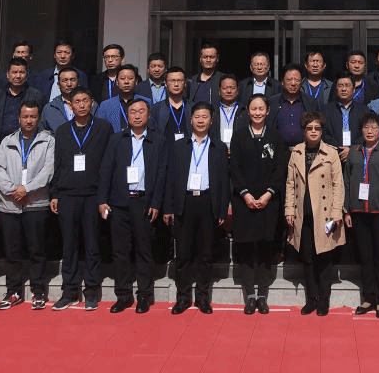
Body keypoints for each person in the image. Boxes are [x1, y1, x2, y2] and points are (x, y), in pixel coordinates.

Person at [98, 99, 168, 314]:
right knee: (120, 251)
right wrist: (102, 200)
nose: (137, 115)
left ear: (148, 115)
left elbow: (162, 174)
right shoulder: (117, 139)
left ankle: (144, 295)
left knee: (144, 250)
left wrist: (156, 202)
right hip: (119, 203)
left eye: (141, 111)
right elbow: (106, 170)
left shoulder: (158, 140)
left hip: (144, 203)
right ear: (127, 116)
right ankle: (123, 295)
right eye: (133, 112)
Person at [49, 87, 113, 311]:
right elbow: (58, 163)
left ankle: (92, 291)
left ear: (92, 102)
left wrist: (104, 196)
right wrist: (55, 193)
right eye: (77, 101)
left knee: (92, 244)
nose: (82, 105)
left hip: (93, 195)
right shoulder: (62, 131)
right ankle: (69, 291)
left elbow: (108, 164)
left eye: (85, 100)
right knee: (69, 245)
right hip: (67, 194)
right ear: (70, 105)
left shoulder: (104, 128)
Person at [163, 102, 229, 314]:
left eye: (205, 117)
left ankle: (202, 298)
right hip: (185, 202)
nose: (201, 120)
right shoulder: (179, 146)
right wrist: (168, 207)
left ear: (211, 121)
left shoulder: (219, 147)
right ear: (191, 120)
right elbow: (170, 178)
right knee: (183, 254)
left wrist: (221, 209)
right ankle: (182, 298)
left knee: (205, 254)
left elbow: (224, 180)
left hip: (208, 202)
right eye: (197, 117)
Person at [230, 93, 289, 314]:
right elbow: (234, 168)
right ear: (248, 111)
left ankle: (262, 295)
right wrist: (245, 194)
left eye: (261, 109)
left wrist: (267, 195)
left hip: (268, 202)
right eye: (253, 109)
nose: (257, 113)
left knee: (265, 249)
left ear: (267, 111)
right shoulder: (239, 135)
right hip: (244, 201)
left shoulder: (275, 136)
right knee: (246, 249)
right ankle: (249, 296)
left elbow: (279, 169)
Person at [0, 100, 54, 311]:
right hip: (9, 205)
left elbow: (48, 170)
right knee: (12, 251)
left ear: (39, 118)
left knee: (37, 251)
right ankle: (13, 291)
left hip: (36, 203)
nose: (29, 120)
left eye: (33, 116)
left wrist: (26, 189)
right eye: (25, 116)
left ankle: (38, 291)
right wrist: (13, 189)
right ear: (19, 118)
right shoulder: (7, 141)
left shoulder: (48, 141)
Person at [285, 112, 346, 316]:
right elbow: (290, 184)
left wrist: (337, 212)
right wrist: (289, 209)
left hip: (326, 215)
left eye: (317, 128)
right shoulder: (296, 152)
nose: (313, 131)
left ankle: (323, 299)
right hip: (303, 214)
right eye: (309, 128)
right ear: (304, 131)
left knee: (325, 258)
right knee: (308, 258)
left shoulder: (331, 153)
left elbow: (338, 185)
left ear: (322, 131)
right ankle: (311, 299)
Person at [343, 112, 379, 318]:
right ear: (361, 130)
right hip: (359, 212)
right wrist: (347, 209)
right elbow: (347, 181)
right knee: (365, 257)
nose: (370, 131)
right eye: (366, 127)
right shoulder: (354, 152)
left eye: (374, 127)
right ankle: (368, 298)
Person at [0, 57, 43, 149]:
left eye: (22, 72)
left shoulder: (36, 96)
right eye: (14, 72)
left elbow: (40, 123)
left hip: (26, 145)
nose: (18, 76)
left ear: (27, 75)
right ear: (7, 75)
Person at [321, 71, 366, 162]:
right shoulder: (326, 110)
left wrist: (351, 149)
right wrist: (339, 149)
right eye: (340, 85)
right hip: (332, 156)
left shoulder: (363, 110)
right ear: (336, 89)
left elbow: (365, 134)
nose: (344, 89)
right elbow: (324, 133)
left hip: (357, 157)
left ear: (353, 89)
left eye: (347, 85)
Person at [268, 64, 315, 148]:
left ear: (301, 82)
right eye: (289, 80)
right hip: (278, 150)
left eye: (297, 80)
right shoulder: (272, 102)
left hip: (304, 150)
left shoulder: (310, 102)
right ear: (282, 82)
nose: (293, 83)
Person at [95, 64, 142, 132]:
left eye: (130, 78)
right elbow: (100, 130)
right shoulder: (105, 105)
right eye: (122, 78)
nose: (126, 82)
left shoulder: (145, 102)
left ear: (136, 81)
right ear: (117, 82)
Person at [151, 67, 191, 145]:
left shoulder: (192, 108)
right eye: (172, 81)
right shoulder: (156, 109)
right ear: (166, 84)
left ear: (185, 83)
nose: (176, 84)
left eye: (179, 81)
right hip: (164, 150)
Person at [40, 66, 79, 133]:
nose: (69, 84)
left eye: (72, 80)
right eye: (65, 80)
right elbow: (42, 133)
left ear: (78, 83)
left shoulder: (90, 105)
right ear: (58, 84)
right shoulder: (49, 108)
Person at [212, 73, 243, 150]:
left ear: (237, 90)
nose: (229, 91)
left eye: (232, 88)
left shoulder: (244, 111)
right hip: (217, 151)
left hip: (238, 151)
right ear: (219, 91)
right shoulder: (212, 110)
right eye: (225, 88)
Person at [187, 42, 222, 106]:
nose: (208, 60)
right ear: (200, 59)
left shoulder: (223, 79)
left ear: (217, 59)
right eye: (205, 57)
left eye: (212, 57)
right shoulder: (191, 81)